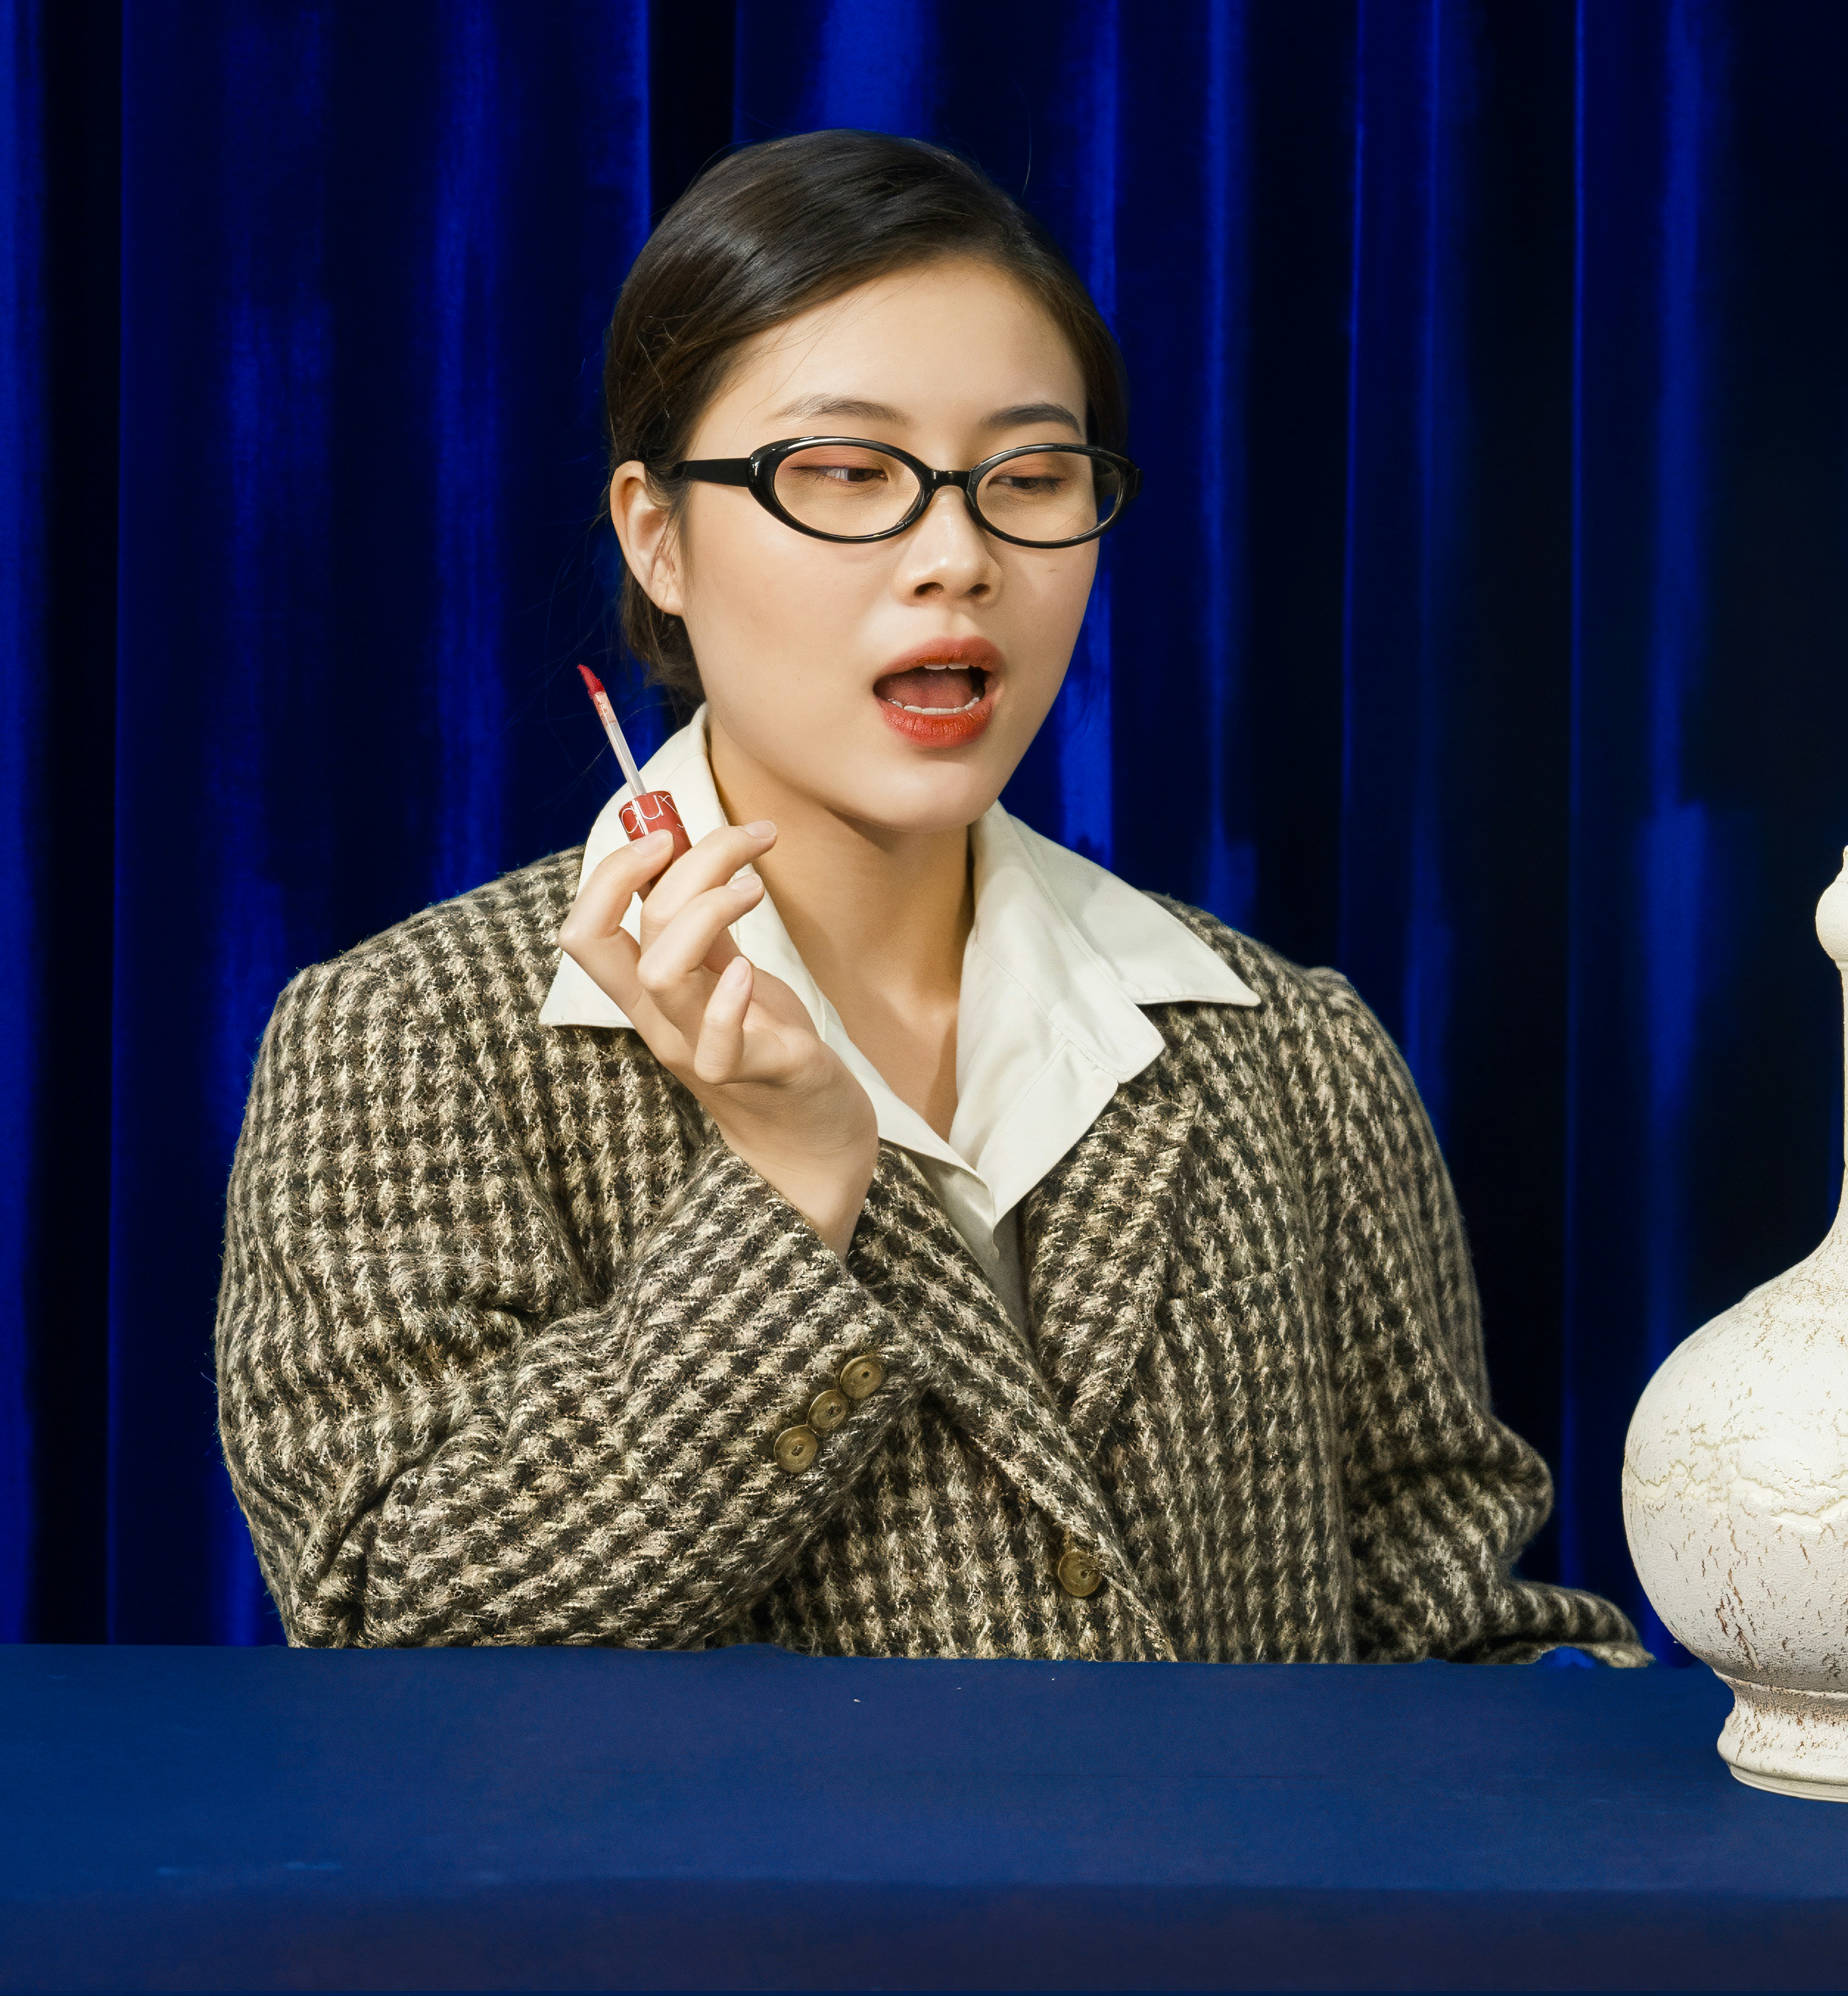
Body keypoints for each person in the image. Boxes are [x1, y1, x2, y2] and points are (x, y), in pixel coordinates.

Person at [214, 130, 1638, 1664]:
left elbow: (1454, 1633)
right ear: (657, 535)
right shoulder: (409, 1045)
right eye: (844, 475)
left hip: (1232, 1918)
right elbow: (399, 1633)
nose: (957, 557)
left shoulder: (1293, 1051)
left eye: (1029, 479)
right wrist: (782, 1190)